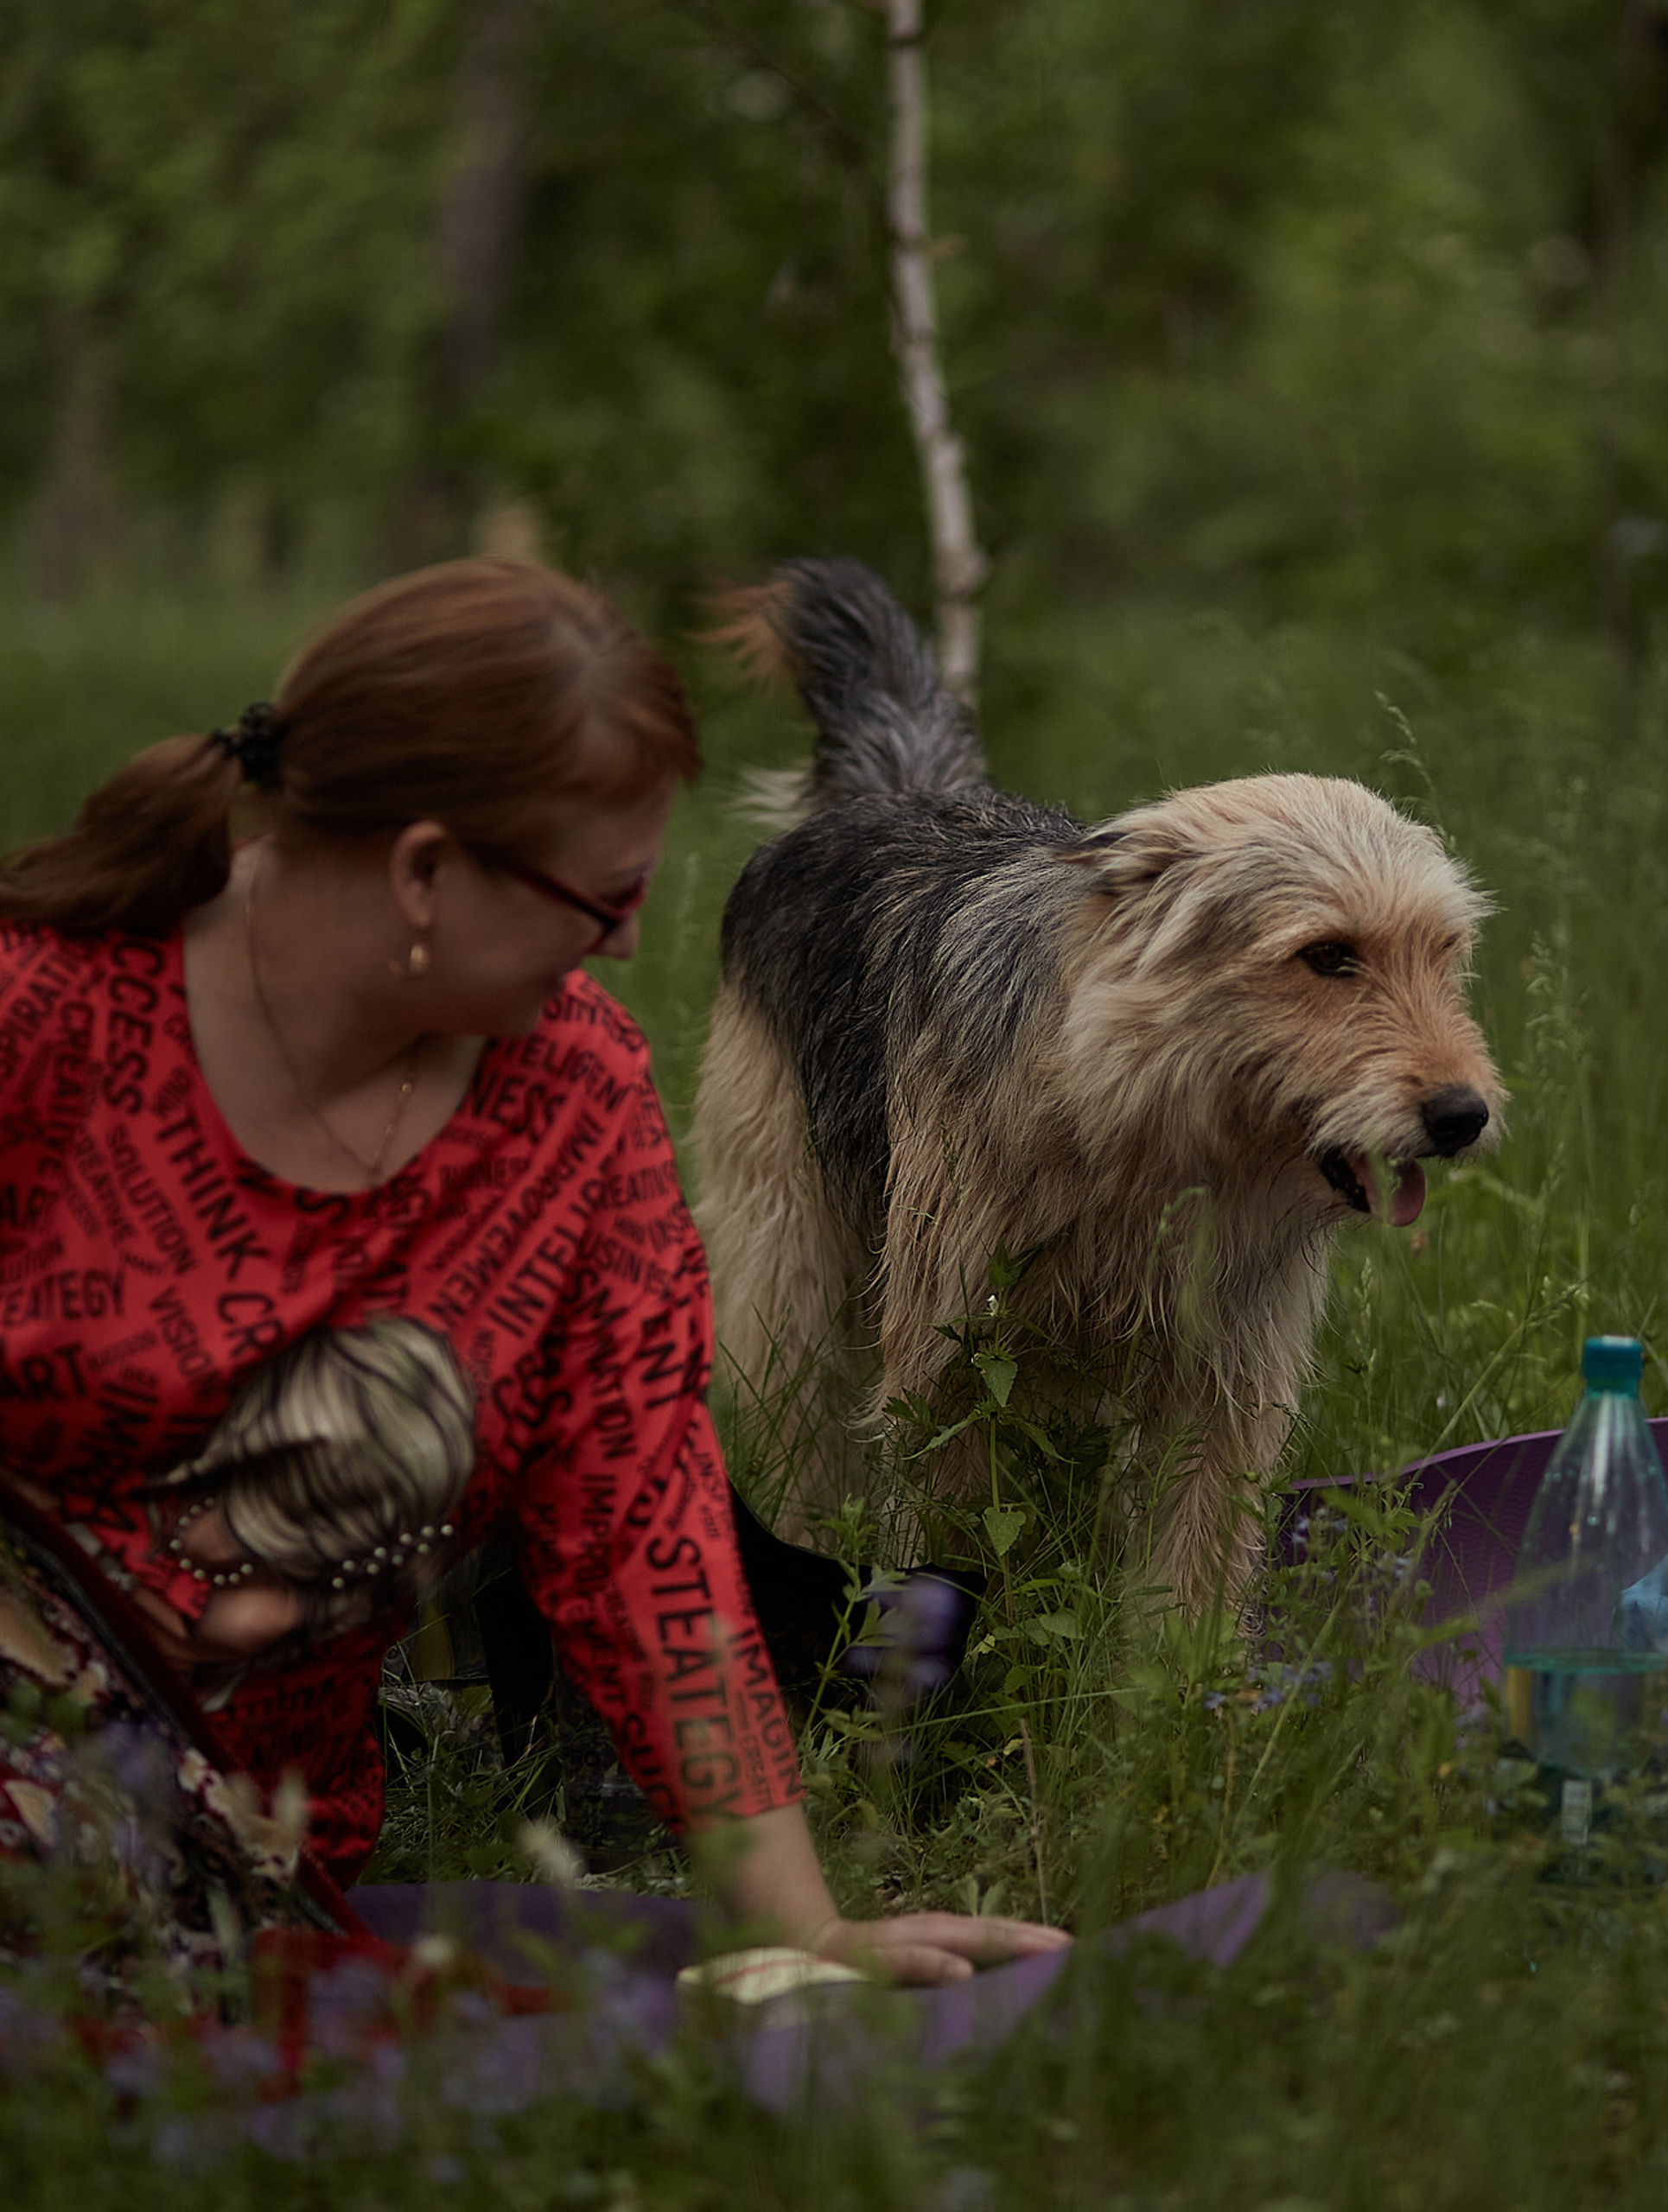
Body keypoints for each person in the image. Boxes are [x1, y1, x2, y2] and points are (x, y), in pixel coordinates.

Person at [0, 556, 1068, 1985]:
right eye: (604, 894)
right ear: (424, 869)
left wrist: (796, 1921)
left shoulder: (575, 1099)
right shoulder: (48, 1019)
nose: (630, 940)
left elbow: (646, 1530)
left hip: (234, 1864)